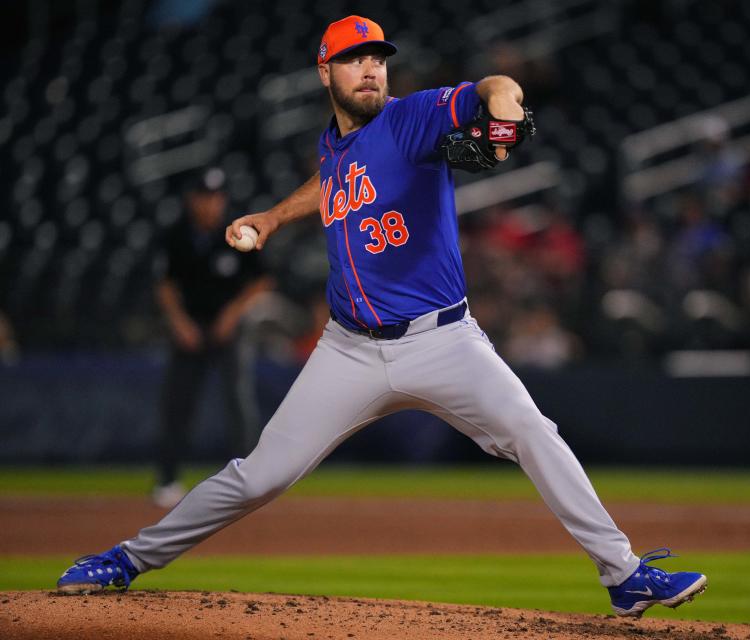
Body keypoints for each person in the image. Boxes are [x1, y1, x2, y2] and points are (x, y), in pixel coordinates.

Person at [56, 15, 707, 617]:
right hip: (348, 352)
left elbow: (494, 88)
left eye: (377, 58)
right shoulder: (334, 146)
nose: (370, 68)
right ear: (325, 72)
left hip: (443, 340)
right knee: (258, 477)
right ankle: (126, 559)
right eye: (353, 59)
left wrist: (505, 107)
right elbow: (329, 178)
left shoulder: (411, 119)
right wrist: (274, 217)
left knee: (533, 431)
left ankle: (624, 576)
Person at [152, 168, 273, 507]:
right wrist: (179, 323)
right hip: (190, 327)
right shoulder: (176, 235)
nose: (210, 204)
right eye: (204, 197)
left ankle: (250, 482)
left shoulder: (235, 232)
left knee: (238, 401)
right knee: (177, 404)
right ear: (192, 199)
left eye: (216, 197)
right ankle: (166, 479)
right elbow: (165, 285)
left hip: (230, 328)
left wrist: (232, 314)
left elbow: (261, 281)